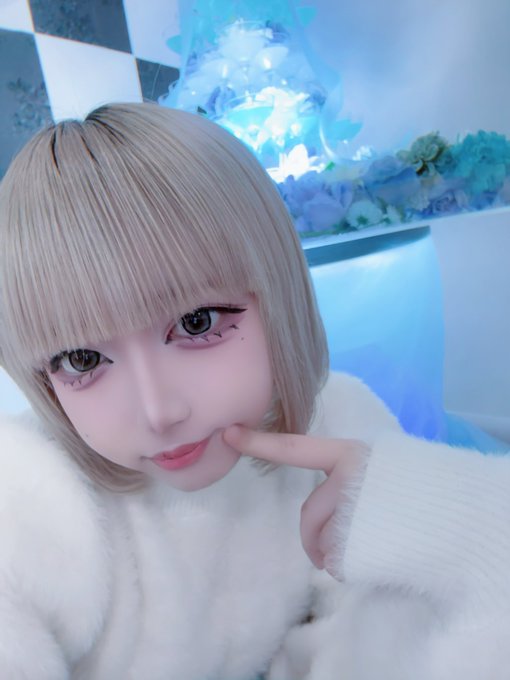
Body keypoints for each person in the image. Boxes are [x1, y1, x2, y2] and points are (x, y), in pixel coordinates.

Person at [0, 102, 508, 680]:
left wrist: (464, 519)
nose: (159, 411)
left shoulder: (334, 431)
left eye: (196, 323)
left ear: (277, 288)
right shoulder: (27, 493)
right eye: (82, 359)